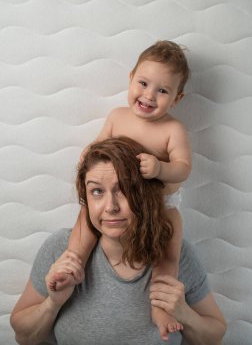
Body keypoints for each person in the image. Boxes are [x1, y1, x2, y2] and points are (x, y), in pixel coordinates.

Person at [10, 137, 226, 345]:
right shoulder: (59, 248)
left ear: (144, 194)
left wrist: (183, 313)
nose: (110, 206)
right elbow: (23, 337)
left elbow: (214, 338)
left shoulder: (178, 253)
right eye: (97, 191)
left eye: (122, 190)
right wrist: (53, 303)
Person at [52, 40, 192, 338]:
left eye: (162, 91)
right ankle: (72, 263)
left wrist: (160, 168)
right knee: (85, 221)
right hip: (120, 200)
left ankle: (160, 307)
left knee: (168, 253)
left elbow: (183, 168)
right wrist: (87, 154)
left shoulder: (172, 130)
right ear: (131, 78)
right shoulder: (118, 116)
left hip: (161, 204)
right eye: (143, 83)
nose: (149, 95)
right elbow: (99, 144)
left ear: (177, 99)